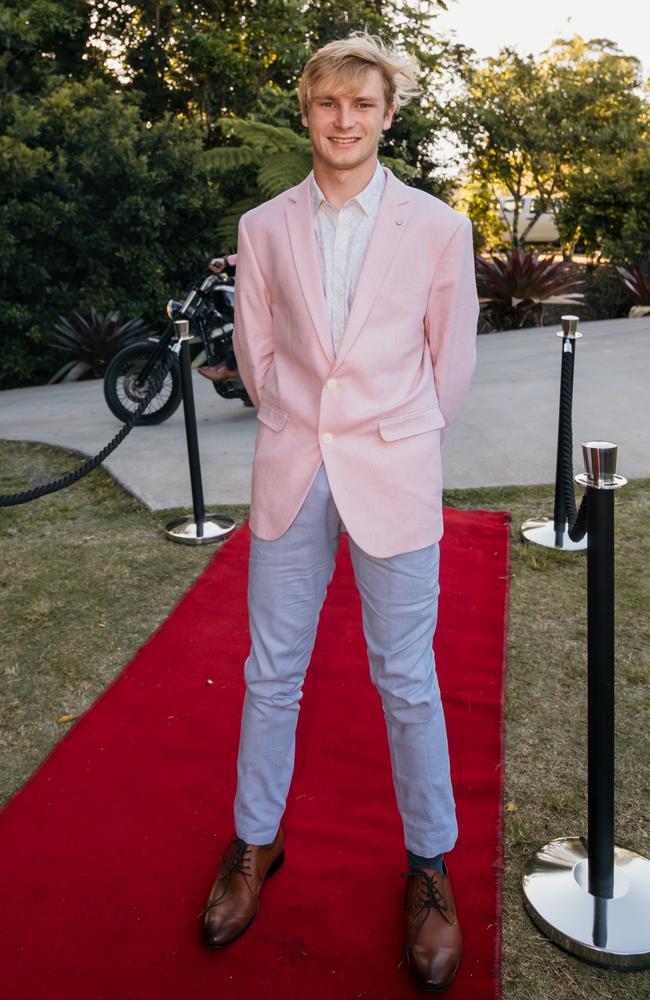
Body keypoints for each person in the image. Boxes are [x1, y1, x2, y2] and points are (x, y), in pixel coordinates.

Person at [198, 31, 479, 993]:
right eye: (328, 104)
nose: (344, 120)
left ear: (387, 115)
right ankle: (253, 846)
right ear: (309, 113)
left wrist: (398, 437)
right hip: (292, 463)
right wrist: (299, 422)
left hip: (393, 472)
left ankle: (429, 869)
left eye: (363, 105)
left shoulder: (439, 227)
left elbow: (453, 361)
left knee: (407, 676)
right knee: (271, 669)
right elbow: (258, 343)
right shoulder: (263, 225)